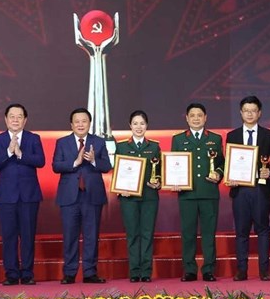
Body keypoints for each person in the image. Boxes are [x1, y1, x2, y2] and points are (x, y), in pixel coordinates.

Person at [52, 108, 112, 284]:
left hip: (92, 195)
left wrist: (93, 160)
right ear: (71, 124)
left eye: (84, 121)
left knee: (91, 235)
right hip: (69, 196)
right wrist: (75, 162)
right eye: (77, 121)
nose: (80, 124)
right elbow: (56, 166)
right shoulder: (62, 142)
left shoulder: (99, 142)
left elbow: (106, 166)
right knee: (70, 235)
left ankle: (90, 272)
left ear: (89, 123)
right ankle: (69, 273)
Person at [0, 103, 45, 285]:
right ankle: (11, 274)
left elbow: (40, 161)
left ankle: (27, 273)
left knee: (28, 236)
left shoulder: (33, 138)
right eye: (12, 116)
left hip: (29, 196)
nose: (15, 120)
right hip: (6, 197)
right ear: (6, 119)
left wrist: (20, 154)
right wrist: (8, 152)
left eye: (19, 116)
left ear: (25, 120)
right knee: (9, 236)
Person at [225, 95, 270, 281]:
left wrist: (269, 173)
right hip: (240, 190)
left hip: (261, 189)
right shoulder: (232, 136)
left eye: (253, 111)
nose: (249, 114)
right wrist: (230, 177)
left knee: (263, 228)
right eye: (246, 111)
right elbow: (229, 162)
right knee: (241, 230)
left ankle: (264, 270)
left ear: (259, 113)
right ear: (241, 113)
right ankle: (242, 270)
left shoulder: (269, 135)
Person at [171, 103, 223, 282]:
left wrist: (219, 174)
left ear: (205, 117)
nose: (196, 118)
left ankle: (209, 269)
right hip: (187, 194)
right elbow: (173, 164)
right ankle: (189, 270)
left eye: (199, 115)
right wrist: (174, 181)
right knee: (188, 234)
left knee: (209, 234)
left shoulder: (215, 139)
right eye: (192, 115)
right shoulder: (178, 139)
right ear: (186, 118)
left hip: (209, 193)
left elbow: (221, 163)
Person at [115, 110, 161, 283]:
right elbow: (118, 172)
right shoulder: (122, 147)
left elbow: (160, 171)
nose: (139, 127)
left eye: (142, 123)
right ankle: (134, 271)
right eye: (135, 123)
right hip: (129, 198)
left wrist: (158, 182)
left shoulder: (154, 147)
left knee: (147, 234)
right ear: (130, 126)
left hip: (149, 196)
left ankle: (146, 272)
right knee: (133, 234)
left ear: (146, 125)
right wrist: (120, 188)